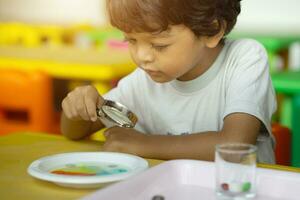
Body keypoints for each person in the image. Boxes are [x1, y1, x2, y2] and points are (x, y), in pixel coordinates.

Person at [61, 0, 277, 164]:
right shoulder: (142, 82)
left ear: (212, 30)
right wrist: (78, 106)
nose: (142, 56)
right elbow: (75, 131)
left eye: (159, 45)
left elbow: (235, 145)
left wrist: (142, 144)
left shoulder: (244, 58)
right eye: (131, 40)